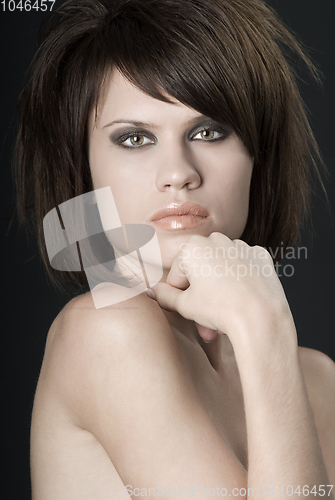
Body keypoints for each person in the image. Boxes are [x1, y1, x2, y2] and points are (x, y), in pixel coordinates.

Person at [12, 0, 334, 497]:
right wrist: (263, 325)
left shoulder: (317, 377)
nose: (179, 172)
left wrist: (264, 340)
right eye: (136, 139)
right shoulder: (108, 332)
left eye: (208, 132)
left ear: (256, 154)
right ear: (85, 168)